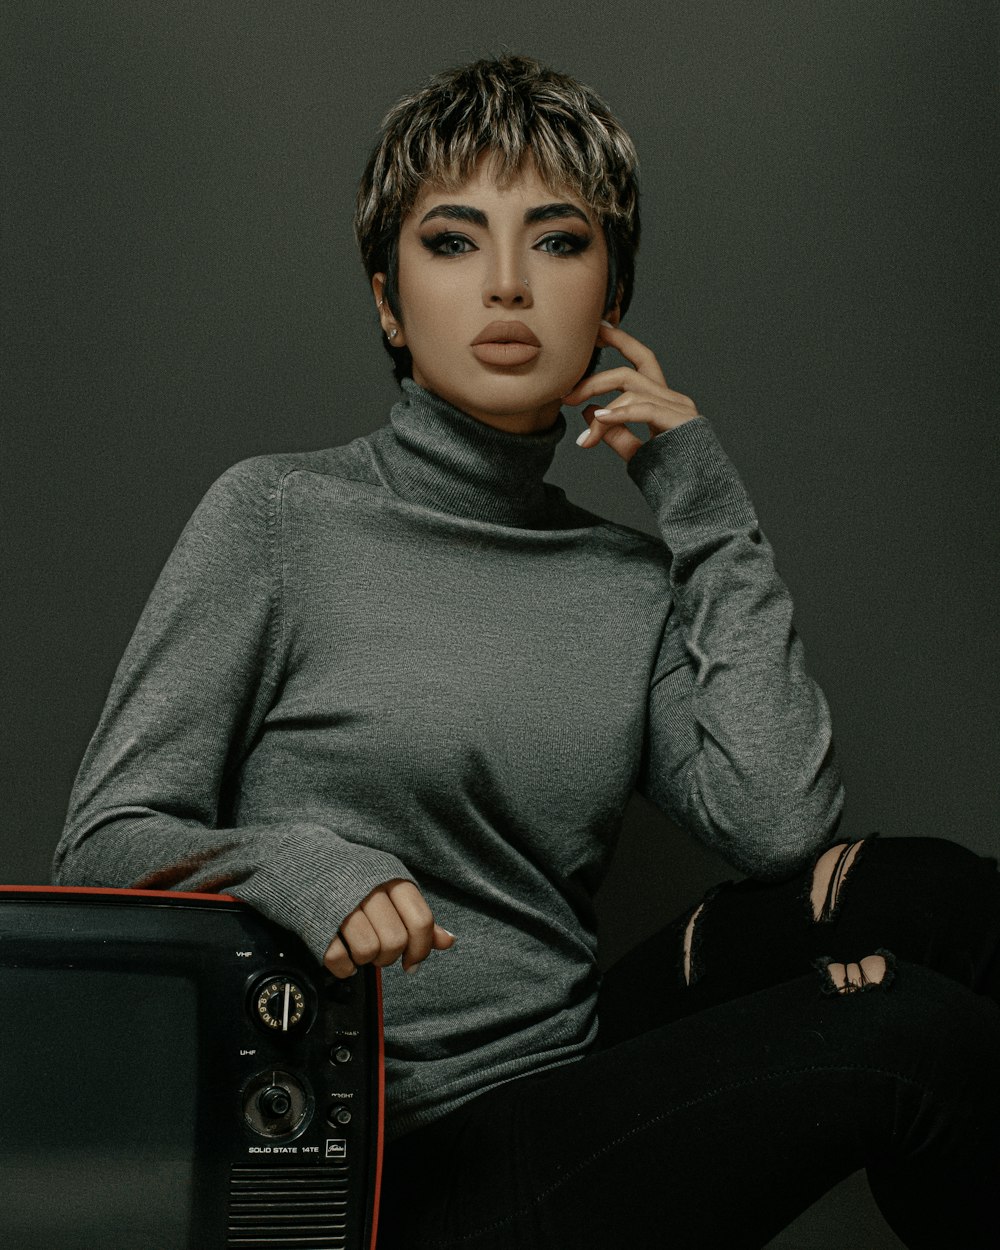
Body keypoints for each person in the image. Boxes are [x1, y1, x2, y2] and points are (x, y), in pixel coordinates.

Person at [54, 54, 1000, 1248]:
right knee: (906, 1031)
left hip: (574, 1075)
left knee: (939, 900)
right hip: (398, 1157)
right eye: (452, 242)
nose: (507, 284)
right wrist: (297, 864)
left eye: (556, 242)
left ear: (609, 298)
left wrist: (701, 499)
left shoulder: (624, 582)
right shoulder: (278, 518)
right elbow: (101, 840)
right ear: (390, 303)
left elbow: (778, 823)